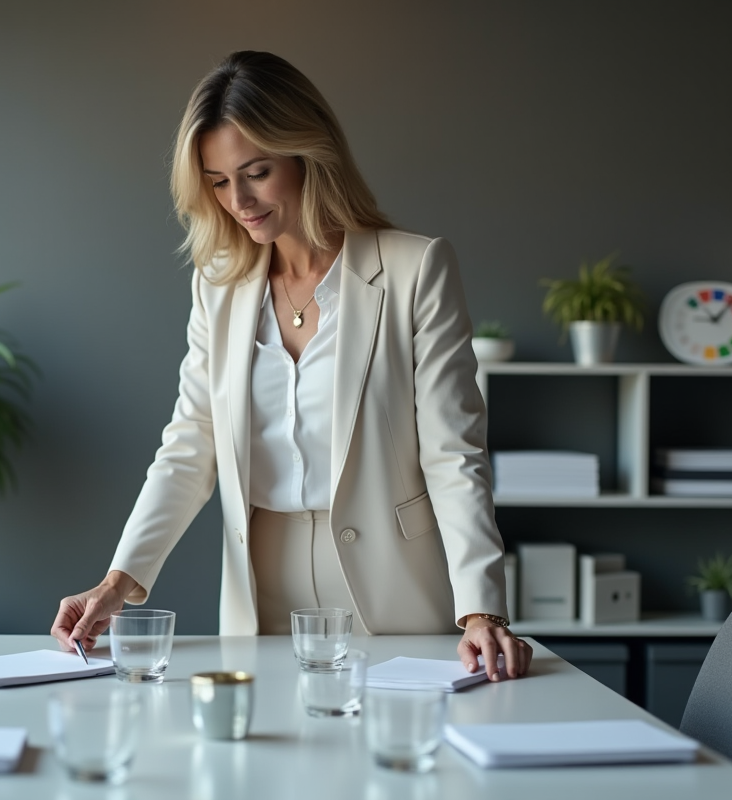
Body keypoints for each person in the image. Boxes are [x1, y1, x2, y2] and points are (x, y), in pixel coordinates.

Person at [51, 50, 530, 680]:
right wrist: (119, 581)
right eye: (218, 181)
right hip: (261, 580)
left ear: (307, 154)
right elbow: (191, 444)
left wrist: (480, 611)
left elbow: (453, 453)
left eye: (256, 172)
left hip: (393, 582)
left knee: (396, 768)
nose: (238, 200)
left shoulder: (417, 270)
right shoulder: (217, 286)